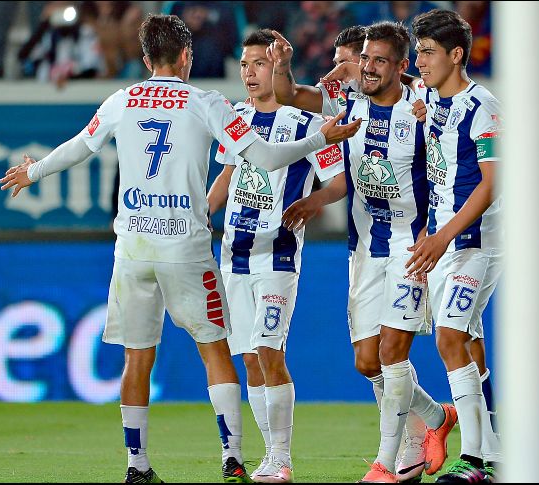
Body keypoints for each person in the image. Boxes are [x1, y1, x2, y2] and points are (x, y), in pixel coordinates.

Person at [0, 14, 360, 484]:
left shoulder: (122, 99)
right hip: (185, 247)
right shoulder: (206, 103)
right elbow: (266, 157)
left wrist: (33, 172)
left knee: (137, 356)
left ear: (146, 58)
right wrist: (321, 138)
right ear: (187, 57)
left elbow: (80, 147)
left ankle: (137, 465)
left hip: (132, 247)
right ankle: (232, 458)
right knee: (216, 351)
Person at [269, 22, 457, 483]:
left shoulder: (423, 114)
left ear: (401, 66)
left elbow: (450, 171)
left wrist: (439, 233)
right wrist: (283, 65)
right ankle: (436, 418)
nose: (368, 68)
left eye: (378, 60)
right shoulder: (346, 104)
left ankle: (385, 464)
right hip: (364, 251)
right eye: (365, 58)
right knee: (367, 361)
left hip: (410, 249)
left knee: (393, 354)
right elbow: (290, 94)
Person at [206, 29, 348, 484]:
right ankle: (269, 455)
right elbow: (227, 174)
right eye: (245, 64)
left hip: (279, 257)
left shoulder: (306, 123)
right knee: (248, 358)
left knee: (270, 350)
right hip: (234, 257)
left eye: (259, 64)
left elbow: (340, 181)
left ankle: (280, 457)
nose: (250, 73)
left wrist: (312, 204)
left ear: (276, 68)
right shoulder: (234, 120)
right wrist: (198, 214)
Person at [405, 9, 503, 483]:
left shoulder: (482, 106)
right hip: (444, 236)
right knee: (467, 338)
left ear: (456, 54)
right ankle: (495, 449)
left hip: (478, 241)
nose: (418, 61)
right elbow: (438, 172)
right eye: (417, 52)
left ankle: (476, 461)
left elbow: (490, 185)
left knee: (448, 335)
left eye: (427, 52)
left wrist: (443, 235)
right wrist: (429, 228)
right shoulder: (427, 95)